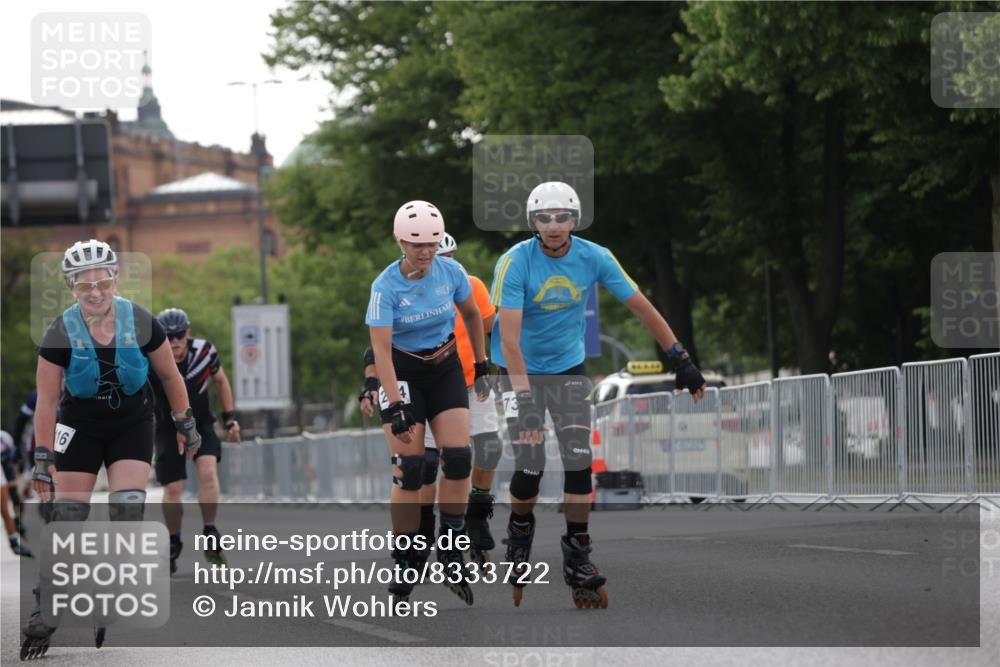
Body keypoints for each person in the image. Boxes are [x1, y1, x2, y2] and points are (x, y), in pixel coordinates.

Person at [490, 182, 706, 609]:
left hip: (569, 367)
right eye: (544, 219)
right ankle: (518, 532)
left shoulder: (595, 256)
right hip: (520, 370)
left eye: (562, 217)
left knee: (578, 460)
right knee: (530, 462)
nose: (554, 226)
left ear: (575, 220)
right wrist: (525, 401)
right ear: (534, 223)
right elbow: (510, 341)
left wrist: (680, 359)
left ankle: (579, 557)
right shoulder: (514, 262)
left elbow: (642, 306)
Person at [21, 239, 200, 659]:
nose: (95, 292)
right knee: (68, 516)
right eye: (85, 287)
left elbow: (171, 377)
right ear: (71, 288)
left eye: (102, 282)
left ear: (115, 279)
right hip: (80, 425)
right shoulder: (58, 332)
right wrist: (43, 459)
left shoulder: (140, 320)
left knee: (127, 509)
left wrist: (185, 422)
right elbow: (46, 402)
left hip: (131, 424)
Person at [365, 201, 491, 607]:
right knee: (411, 468)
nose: (426, 252)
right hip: (401, 372)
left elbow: (472, 315)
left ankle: (450, 545)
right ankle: (406, 555)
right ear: (400, 241)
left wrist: (483, 363)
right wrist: (397, 403)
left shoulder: (451, 272)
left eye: (433, 244)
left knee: (458, 456)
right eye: (417, 244)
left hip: (445, 367)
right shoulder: (385, 287)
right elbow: (380, 352)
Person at [150, 308, 241, 573]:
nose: (175, 342)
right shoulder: (151, 358)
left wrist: (230, 419)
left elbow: (221, 382)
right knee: (174, 489)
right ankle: (174, 539)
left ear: (188, 332)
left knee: (208, 471)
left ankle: (209, 529)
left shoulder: (205, 352)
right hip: (167, 427)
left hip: (200, 423)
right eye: (168, 337)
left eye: (179, 335)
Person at [1, 429, 32, 556]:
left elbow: (13, 457)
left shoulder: (3, 437)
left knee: (6, 511)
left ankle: (15, 542)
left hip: (4, 473)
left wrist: (12, 479)